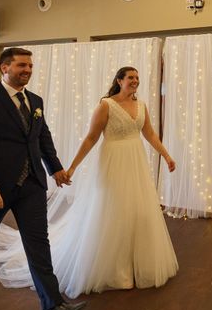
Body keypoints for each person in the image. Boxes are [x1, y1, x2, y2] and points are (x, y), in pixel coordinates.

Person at [0, 47, 87, 310]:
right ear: (5, 68)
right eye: (21, 65)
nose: (27, 70)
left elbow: (42, 137)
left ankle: (53, 304)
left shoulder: (35, 101)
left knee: (38, 244)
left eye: (30, 65)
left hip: (31, 185)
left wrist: (55, 169)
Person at [53, 66, 179, 295]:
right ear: (119, 81)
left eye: (137, 78)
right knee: (115, 211)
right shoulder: (106, 105)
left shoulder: (142, 106)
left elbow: (150, 134)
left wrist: (167, 155)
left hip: (136, 163)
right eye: (130, 77)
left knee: (138, 211)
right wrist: (72, 167)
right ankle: (114, 270)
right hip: (113, 163)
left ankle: (136, 264)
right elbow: (91, 138)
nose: (135, 81)